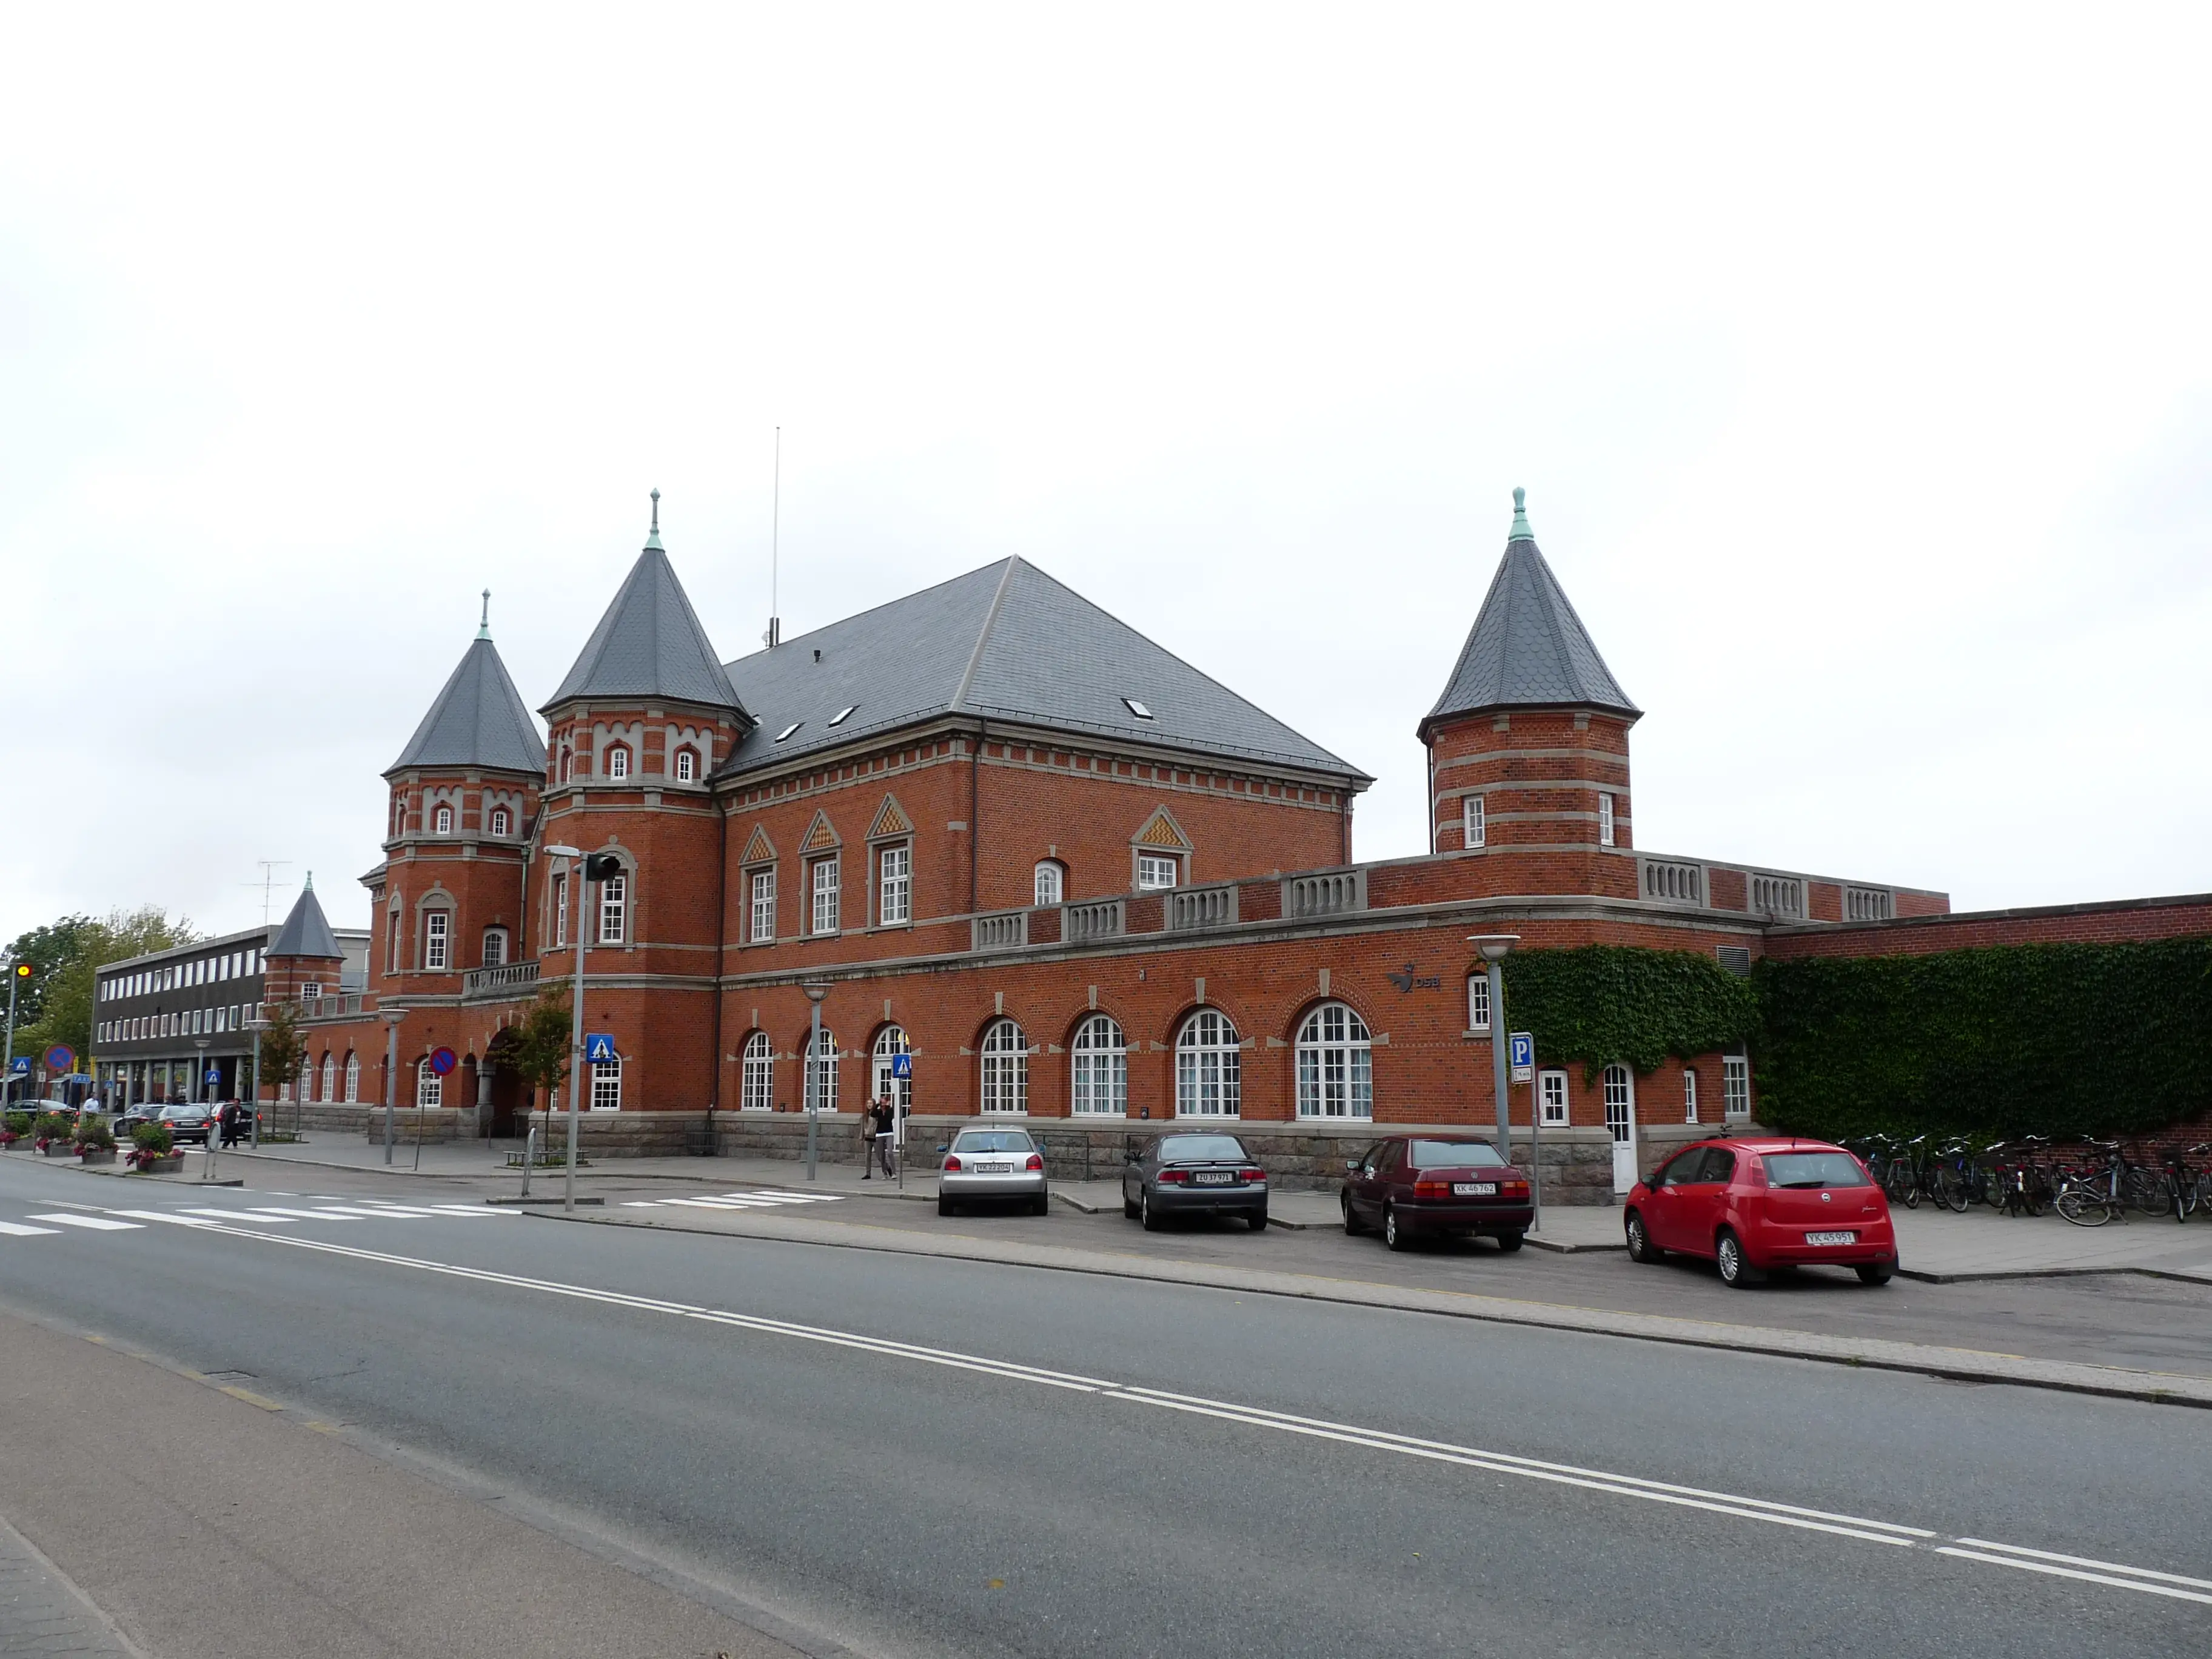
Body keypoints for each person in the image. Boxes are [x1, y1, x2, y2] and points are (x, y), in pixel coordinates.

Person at [873, 1093, 897, 1179]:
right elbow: (872, 1114)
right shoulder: (878, 1112)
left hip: (889, 1133)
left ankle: (894, 1172)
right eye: (881, 1103)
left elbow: (889, 1118)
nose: (882, 1105)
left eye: (884, 1103)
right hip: (880, 1134)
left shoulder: (890, 1110)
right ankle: (885, 1173)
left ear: (887, 1103)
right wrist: (877, 1105)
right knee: (881, 1155)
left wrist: (887, 1107)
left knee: (890, 1153)